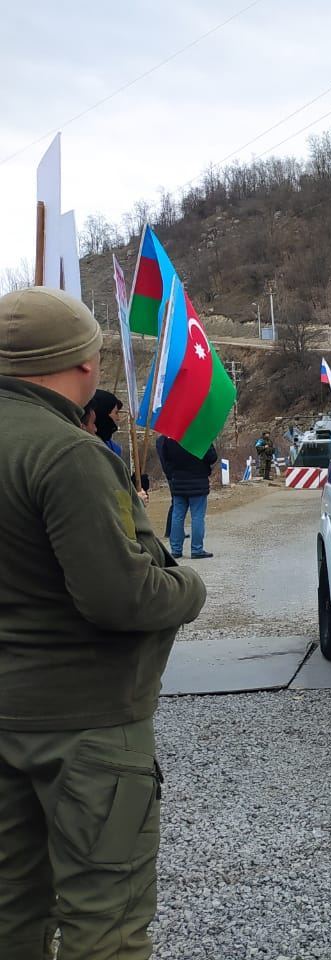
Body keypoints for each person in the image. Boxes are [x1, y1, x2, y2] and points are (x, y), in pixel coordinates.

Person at [0, 287, 207, 960]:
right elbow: (121, 598)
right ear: (85, 365)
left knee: (10, 909)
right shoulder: (68, 455)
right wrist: (188, 586)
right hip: (85, 727)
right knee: (103, 922)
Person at [156, 436, 217, 560]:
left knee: (177, 516)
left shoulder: (171, 437)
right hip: (198, 481)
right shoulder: (199, 435)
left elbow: (166, 458)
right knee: (197, 516)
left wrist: (172, 473)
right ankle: (197, 549)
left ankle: (176, 549)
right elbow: (212, 457)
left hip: (178, 481)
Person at [83, 389, 125, 457]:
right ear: (103, 414)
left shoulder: (109, 444)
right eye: (116, 413)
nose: (118, 418)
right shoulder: (90, 451)